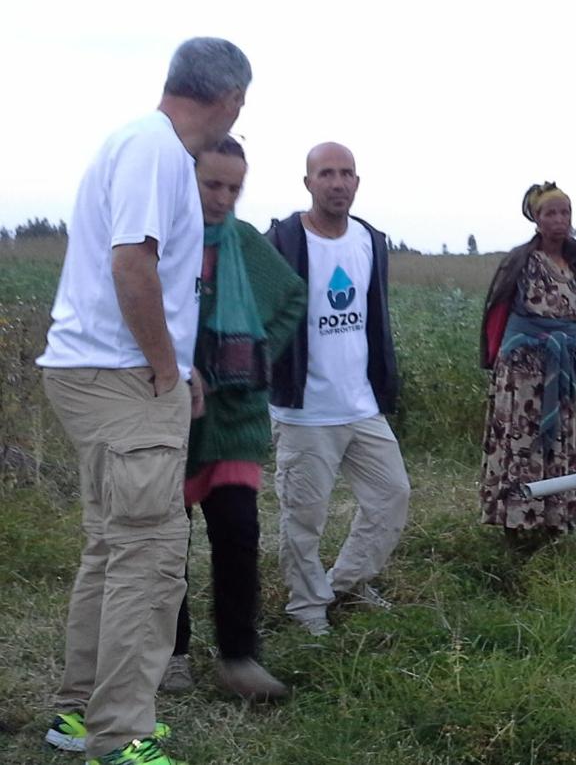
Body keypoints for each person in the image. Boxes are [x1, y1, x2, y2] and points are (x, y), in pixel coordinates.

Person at [35, 37, 250, 764]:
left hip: (102, 373)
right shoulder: (156, 150)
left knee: (111, 548)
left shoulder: (142, 145)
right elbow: (134, 265)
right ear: (230, 98)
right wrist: (164, 368)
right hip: (121, 379)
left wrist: (175, 365)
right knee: (151, 557)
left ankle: (78, 714)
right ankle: (120, 734)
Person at [158, 135, 305, 701]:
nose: (222, 198)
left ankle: (239, 658)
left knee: (239, 532)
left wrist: (251, 352)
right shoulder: (163, 242)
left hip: (235, 415)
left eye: (233, 188)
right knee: (168, 540)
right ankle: (171, 654)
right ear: (186, 180)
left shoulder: (244, 242)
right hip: (167, 410)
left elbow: (293, 296)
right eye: (211, 184)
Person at [267, 142, 410, 637]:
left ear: (357, 182)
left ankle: (345, 584)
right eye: (326, 173)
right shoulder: (282, 242)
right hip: (306, 409)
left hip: (361, 405)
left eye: (346, 173)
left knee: (392, 496)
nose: (337, 182)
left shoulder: (370, 240)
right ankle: (307, 607)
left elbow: (374, 320)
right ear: (308, 182)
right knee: (304, 517)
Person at [478, 182, 576, 542]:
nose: (559, 220)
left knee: (558, 438)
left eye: (565, 212)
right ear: (536, 218)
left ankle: (554, 518)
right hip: (522, 372)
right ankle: (516, 520)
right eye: (550, 213)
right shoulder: (520, 261)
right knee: (522, 439)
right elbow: (498, 310)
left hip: (560, 371)